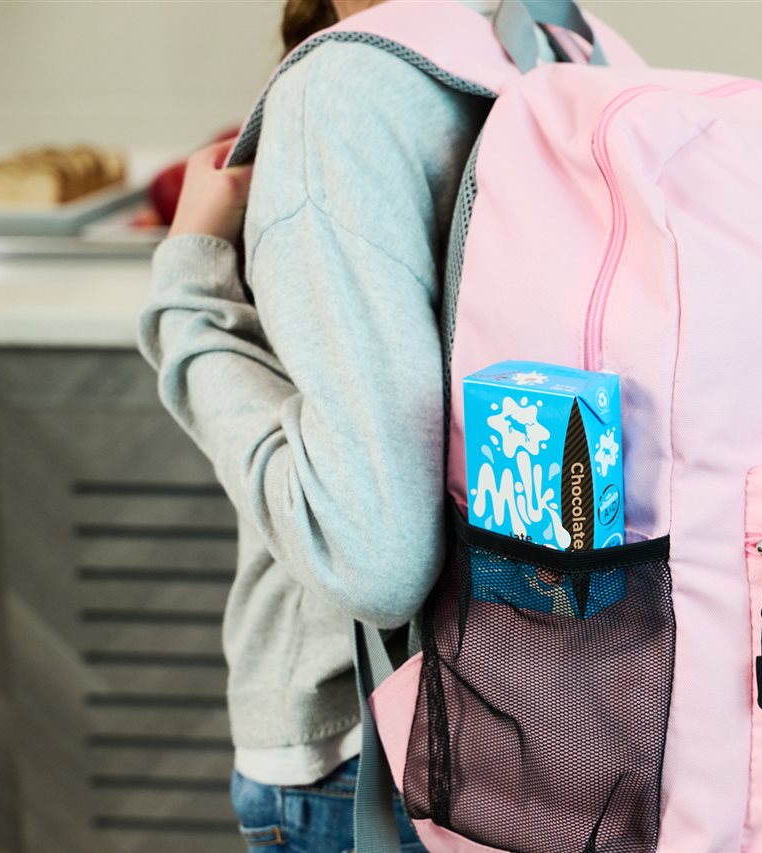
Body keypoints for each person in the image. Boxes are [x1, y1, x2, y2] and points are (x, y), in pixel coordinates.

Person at [137, 1, 553, 849]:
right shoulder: (551, 44)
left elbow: (375, 555)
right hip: (548, 724)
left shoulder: (339, 89)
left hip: (366, 757)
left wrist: (188, 297)